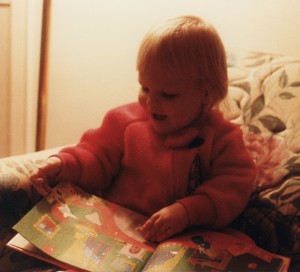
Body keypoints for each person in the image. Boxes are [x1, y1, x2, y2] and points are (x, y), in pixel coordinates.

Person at [30, 15, 256, 243]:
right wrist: (63, 164)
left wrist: (187, 212)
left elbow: (234, 185)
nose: (151, 102)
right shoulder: (124, 122)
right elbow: (94, 157)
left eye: (168, 94)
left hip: (187, 240)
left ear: (206, 93)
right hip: (119, 233)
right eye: (145, 88)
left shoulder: (222, 137)